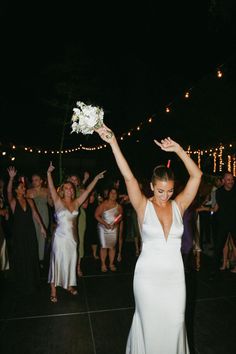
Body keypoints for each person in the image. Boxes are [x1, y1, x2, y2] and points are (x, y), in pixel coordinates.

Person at [95, 125, 202, 354]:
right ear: (152, 186)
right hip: (147, 278)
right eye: (160, 190)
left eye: (170, 191)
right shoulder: (144, 206)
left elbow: (197, 175)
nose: (165, 196)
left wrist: (179, 150)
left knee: (175, 324)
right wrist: (113, 142)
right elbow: (128, 176)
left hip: (175, 278)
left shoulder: (178, 206)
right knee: (150, 326)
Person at [47, 162, 105, 303]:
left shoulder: (77, 202)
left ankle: (68, 285)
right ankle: (53, 290)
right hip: (60, 238)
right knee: (56, 262)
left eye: (71, 188)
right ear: (62, 190)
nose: (69, 190)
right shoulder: (58, 201)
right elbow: (51, 187)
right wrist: (49, 173)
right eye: (66, 188)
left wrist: (96, 179)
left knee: (71, 262)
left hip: (73, 239)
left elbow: (87, 192)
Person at [7, 166, 47, 294]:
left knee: (32, 255)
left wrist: (41, 227)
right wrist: (11, 178)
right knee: (21, 256)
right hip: (19, 233)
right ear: (16, 190)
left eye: (24, 187)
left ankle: (33, 281)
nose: (24, 189)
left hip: (30, 232)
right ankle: (23, 281)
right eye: (21, 188)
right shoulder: (13, 202)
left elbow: (35, 214)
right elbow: (8, 192)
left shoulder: (29, 201)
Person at [26, 173, 53, 268]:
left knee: (42, 237)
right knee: (33, 236)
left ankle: (40, 259)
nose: (34, 182)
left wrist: (50, 195)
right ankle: (33, 258)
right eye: (33, 180)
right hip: (33, 216)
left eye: (36, 180)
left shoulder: (46, 190)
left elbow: (51, 204)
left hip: (44, 215)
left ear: (41, 181)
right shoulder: (28, 191)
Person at [95, 187, 123, 272]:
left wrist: (115, 223)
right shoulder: (103, 204)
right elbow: (96, 215)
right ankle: (103, 264)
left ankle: (111, 264)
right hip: (103, 228)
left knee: (112, 247)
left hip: (113, 228)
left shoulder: (118, 206)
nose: (113, 195)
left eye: (115, 193)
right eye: (112, 193)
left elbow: (120, 216)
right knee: (103, 247)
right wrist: (105, 224)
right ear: (108, 194)